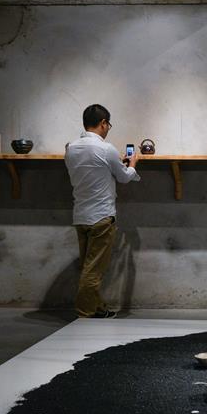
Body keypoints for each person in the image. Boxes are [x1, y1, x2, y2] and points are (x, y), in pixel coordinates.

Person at [64, 104, 140, 318]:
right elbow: (124, 177)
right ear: (103, 123)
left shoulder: (71, 148)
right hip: (101, 217)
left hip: (80, 216)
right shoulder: (106, 149)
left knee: (89, 265)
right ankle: (85, 312)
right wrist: (133, 164)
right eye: (108, 125)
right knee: (94, 270)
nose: (108, 129)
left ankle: (98, 308)